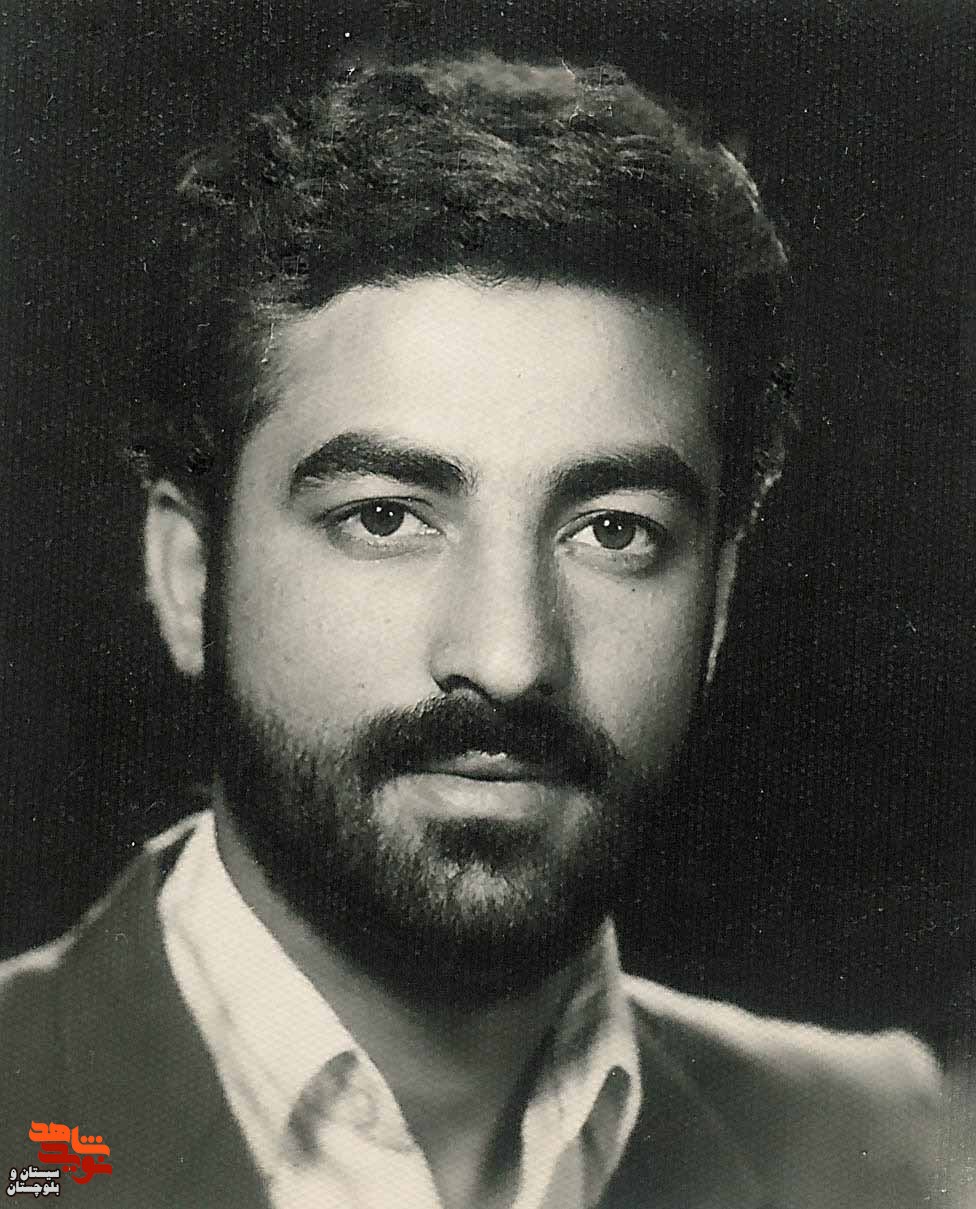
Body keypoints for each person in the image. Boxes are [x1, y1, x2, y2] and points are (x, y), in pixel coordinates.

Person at [0, 55, 942, 1209]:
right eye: (385, 518)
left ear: (718, 601)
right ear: (190, 577)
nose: (507, 657)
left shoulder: (881, 1152)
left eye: (613, 532)